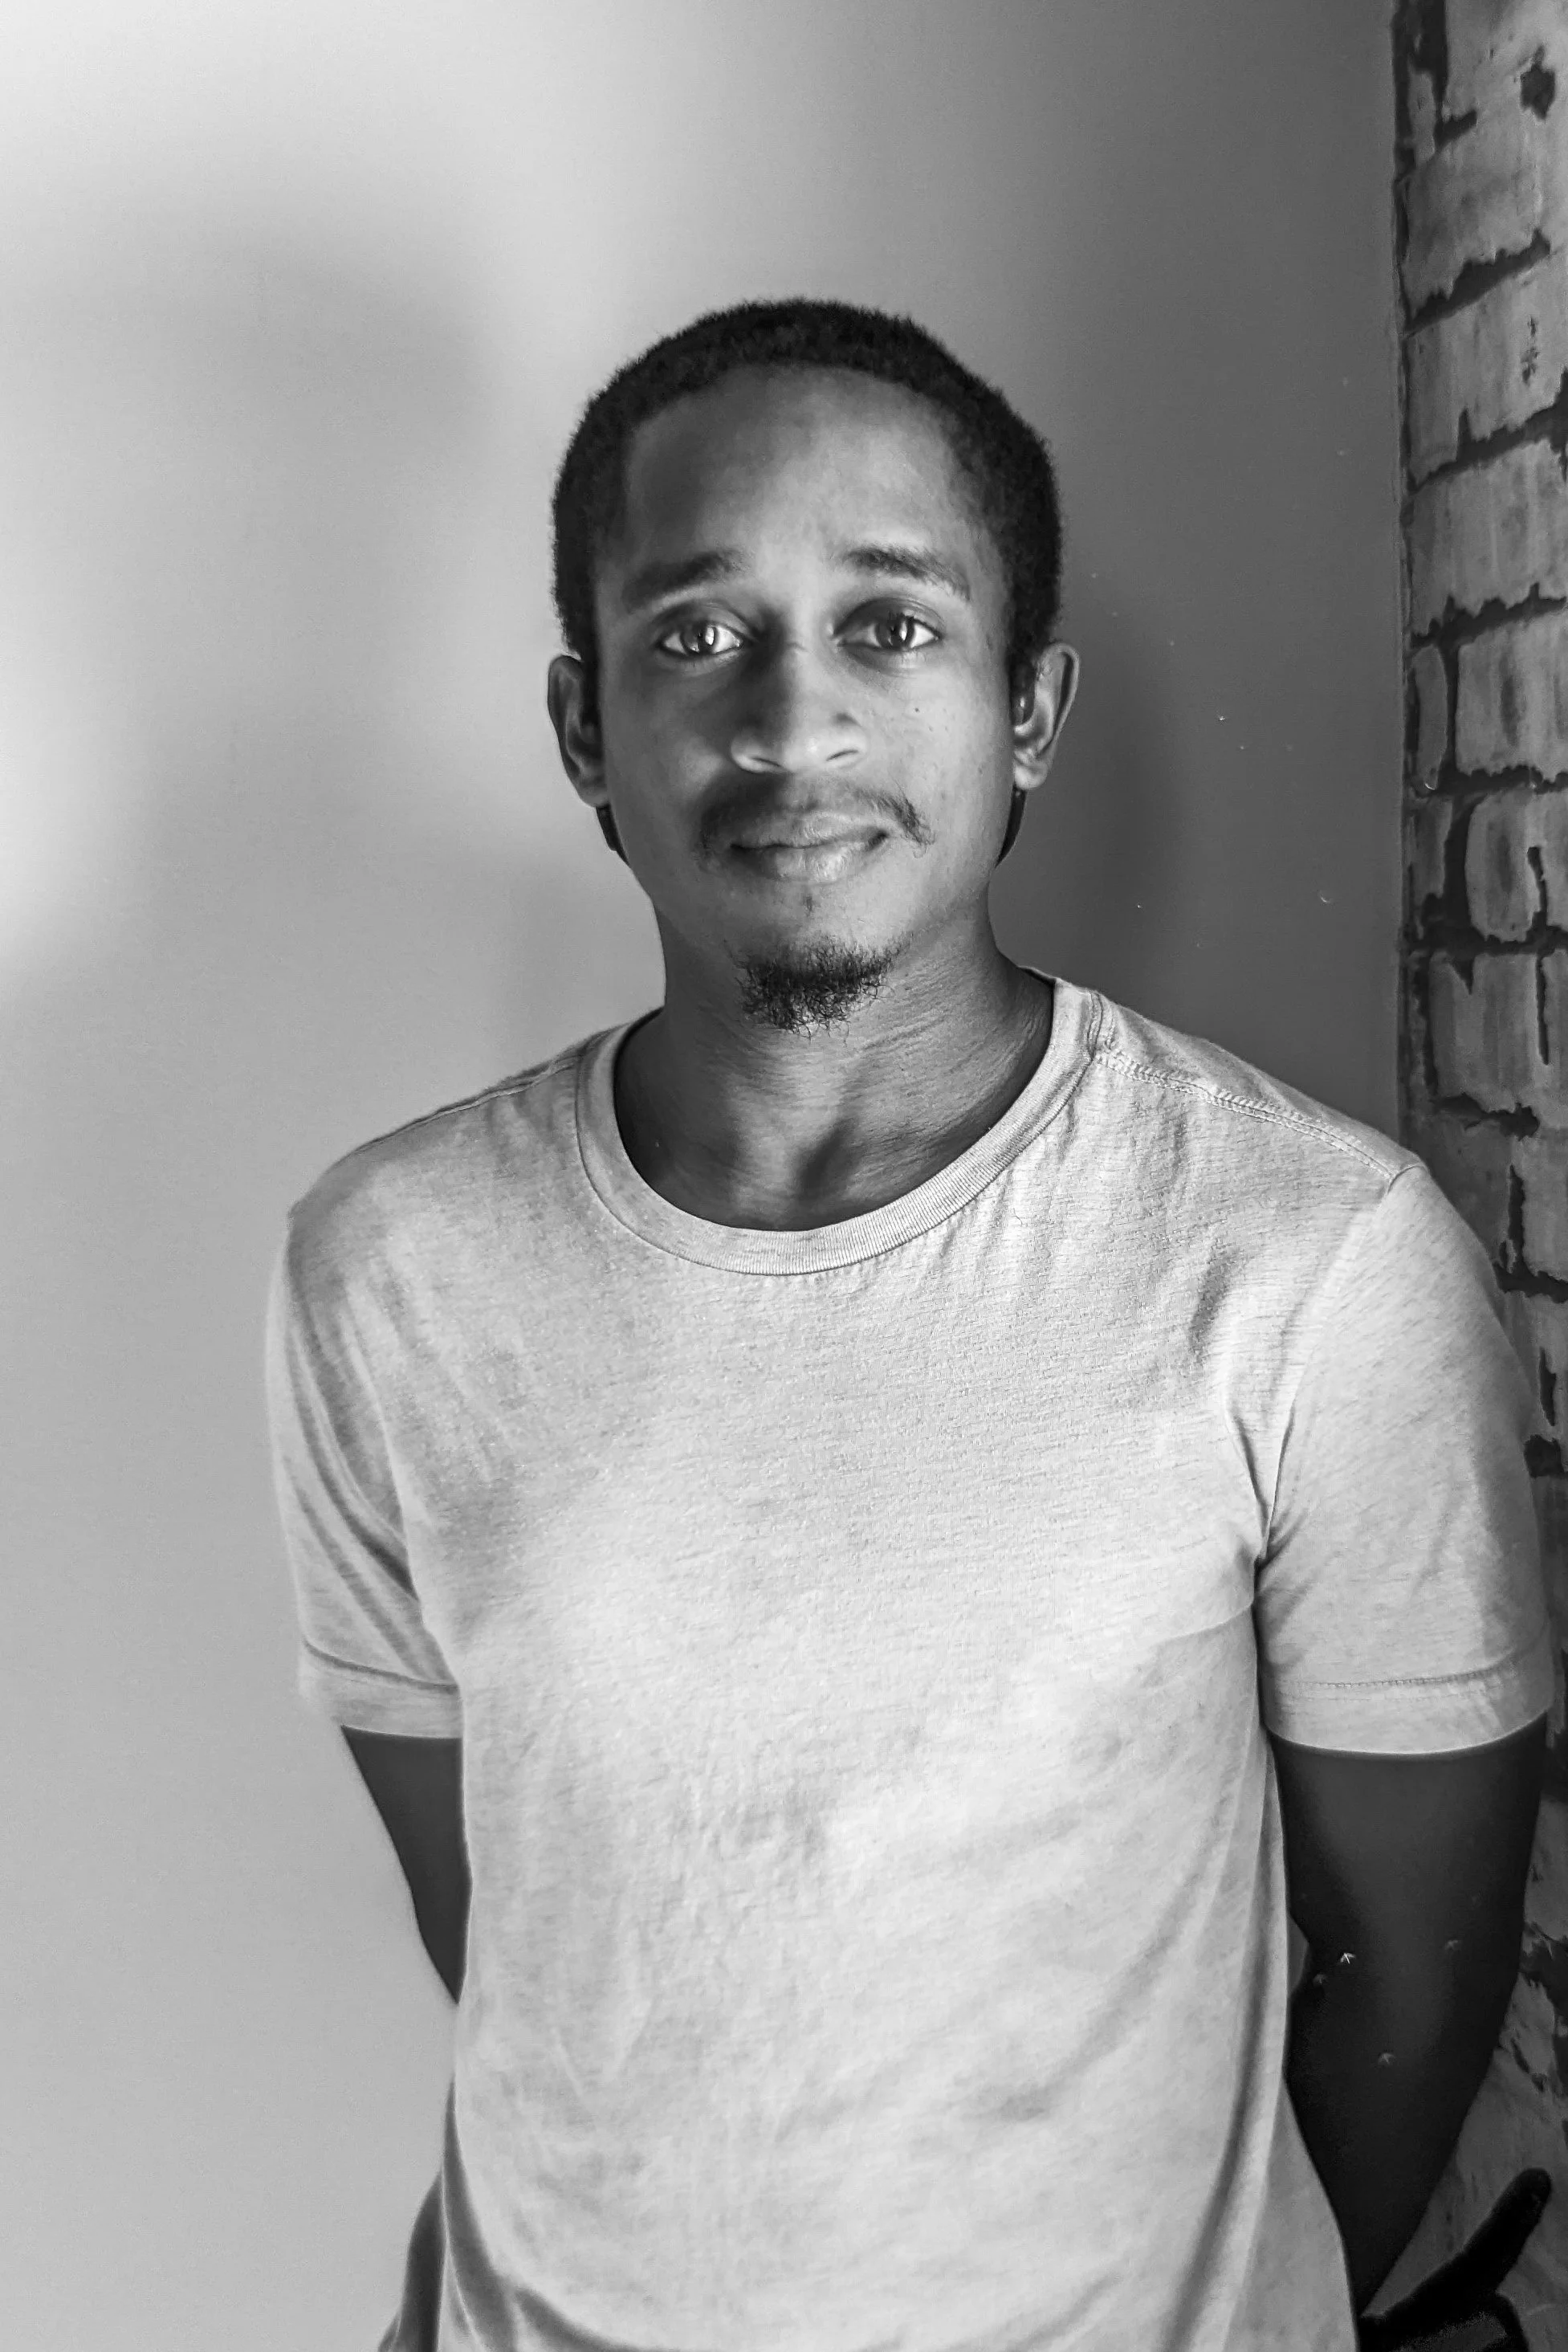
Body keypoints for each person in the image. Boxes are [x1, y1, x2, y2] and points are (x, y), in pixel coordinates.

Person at [264, 299, 1554, 2352]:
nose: (794, 725)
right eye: (698, 634)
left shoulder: (1310, 1258)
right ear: (585, 726)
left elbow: (1410, 1978)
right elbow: (514, 1922)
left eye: (891, 627)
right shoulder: (390, 1263)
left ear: (1025, 708)